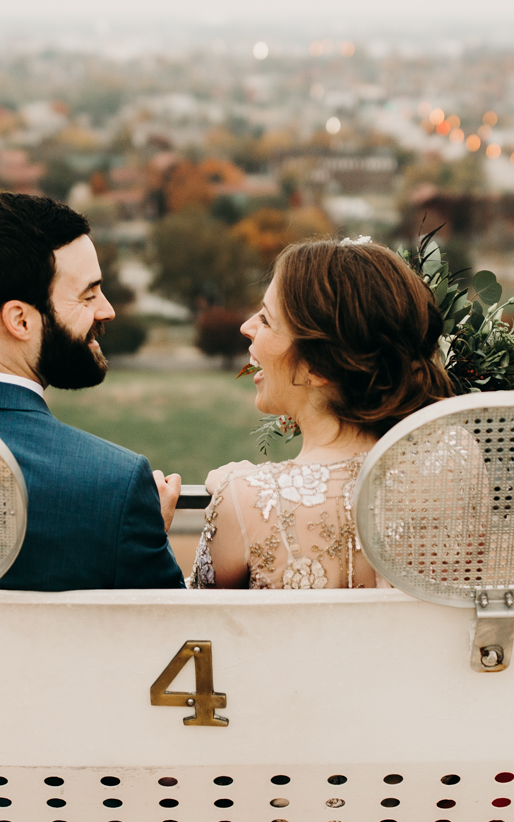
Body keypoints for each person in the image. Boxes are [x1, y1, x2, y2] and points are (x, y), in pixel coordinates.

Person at [0, 191, 185, 591]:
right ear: (21, 321)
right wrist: (139, 535)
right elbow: (171, 639)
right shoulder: (113, 487)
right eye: (88, 294)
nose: (107, 310)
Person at [192, 238, 454, 590]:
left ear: (317, 366)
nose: (247, 327)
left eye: (267, 321)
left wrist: (239, 491)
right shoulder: (456, 463)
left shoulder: (245, 500)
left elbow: (193, 627)